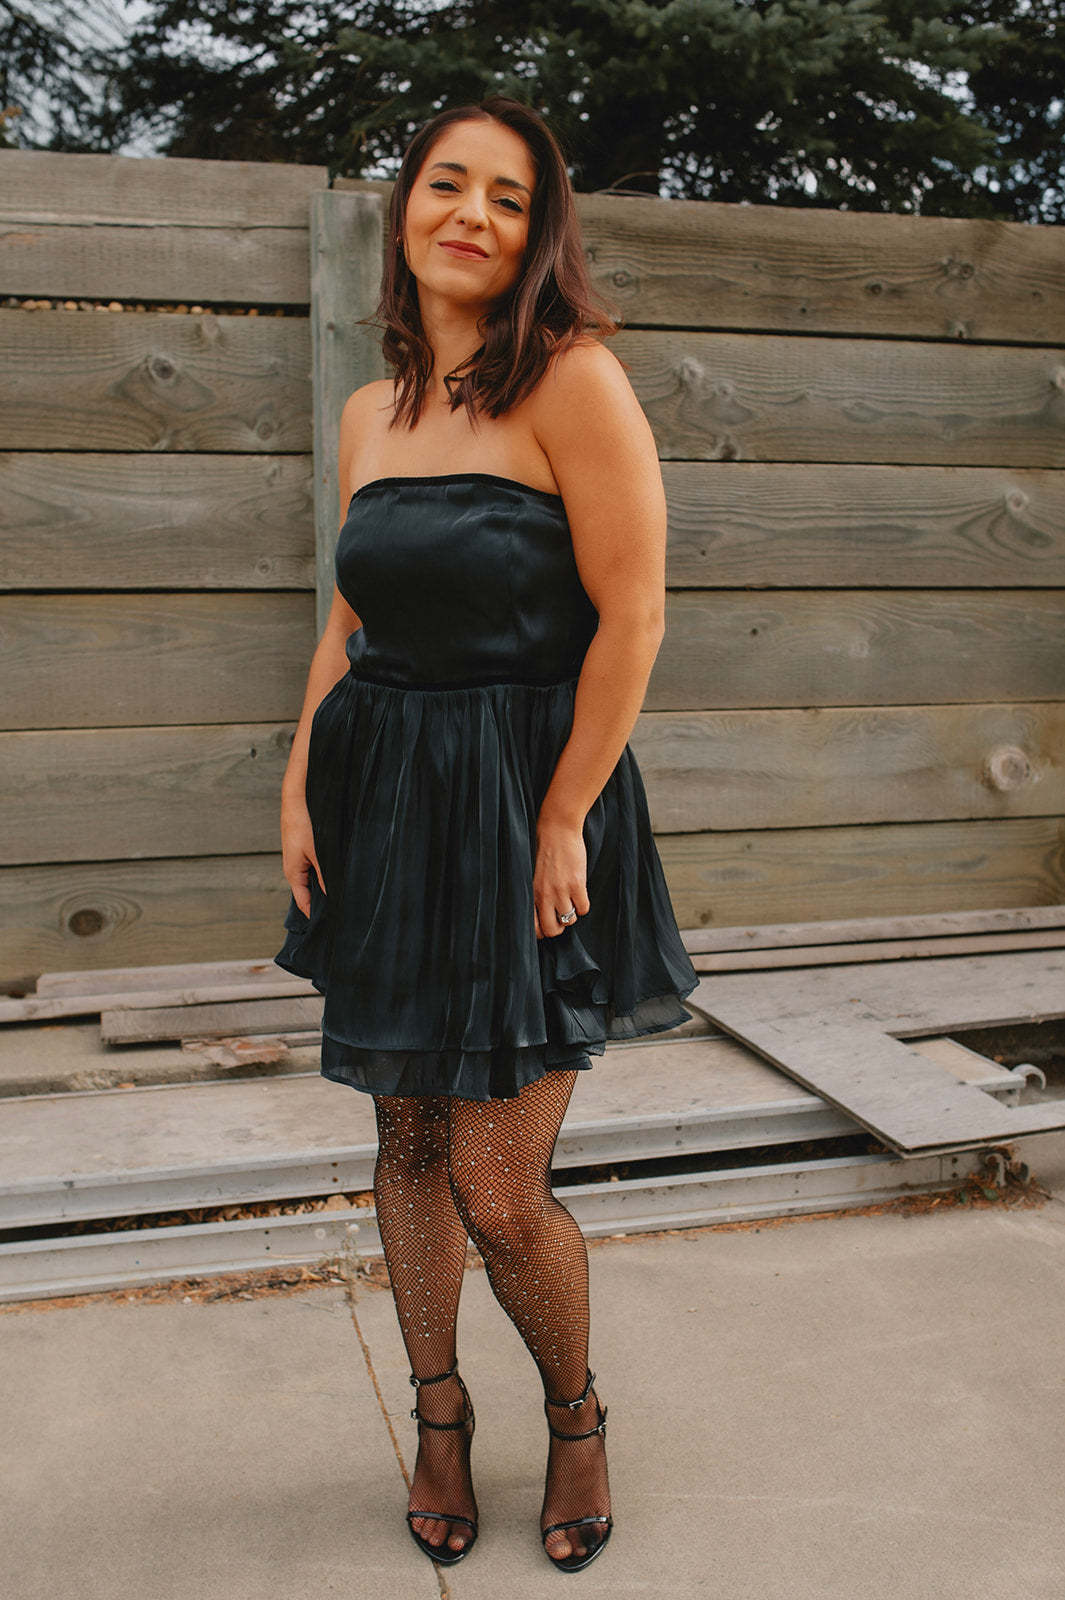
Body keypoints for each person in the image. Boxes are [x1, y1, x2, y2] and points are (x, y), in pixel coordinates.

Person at [276, 95, 699, 1573]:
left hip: (528, 809)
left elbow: (634, 616)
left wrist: (566, 809)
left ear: (537, 235)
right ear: (405, 210)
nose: (470, 213)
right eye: (445, 184)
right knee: (404, 1141)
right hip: (385, 802)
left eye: (507, 197)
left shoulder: (572, 380)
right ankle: (440, 1415)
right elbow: (349, 621)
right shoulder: (369, 414)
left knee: (499, 1185)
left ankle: (575, 1414)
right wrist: (298, 781)